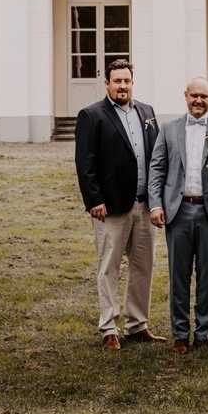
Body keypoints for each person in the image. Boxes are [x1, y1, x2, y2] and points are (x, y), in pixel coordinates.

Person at [75, 59, 164, 350]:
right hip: (111, 207)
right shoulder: (92, 115)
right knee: (109, 268)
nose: (122, 86)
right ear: (107, 84)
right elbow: (85, 163)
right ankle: (109, 327)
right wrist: (94, 200)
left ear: (132, 82)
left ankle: (138, 325)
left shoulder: (147, 112)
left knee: (143, 266)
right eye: (117, 81)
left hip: (144, 204)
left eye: (127, 81)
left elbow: (155, 157)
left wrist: (156, 200)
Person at [148, 78, 208, 353]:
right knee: (178, 276)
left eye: (204, 96)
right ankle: (179, 332)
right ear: (185, 96)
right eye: (193, 95)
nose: (198, 101)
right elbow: (157, 169)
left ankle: (204, 331)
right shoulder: (169, 129)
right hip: (178, 211)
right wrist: (156, 204)